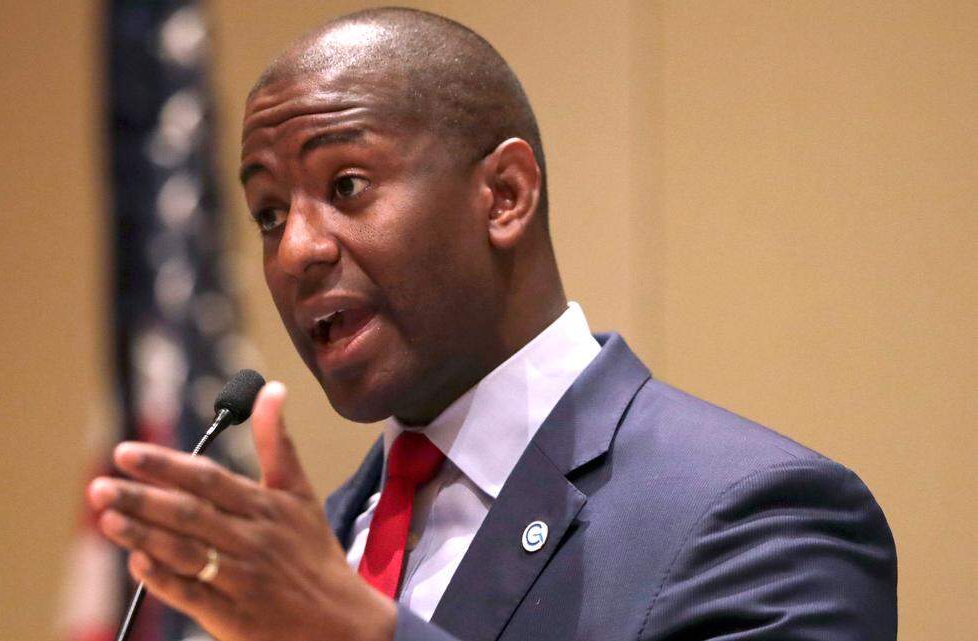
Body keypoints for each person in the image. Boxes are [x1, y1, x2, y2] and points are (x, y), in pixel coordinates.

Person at [87, 8, 897, 641]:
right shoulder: (318, 550)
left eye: (347, 186)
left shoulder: (758, 518)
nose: (296, 248)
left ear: (504, 195)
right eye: (268, 212)